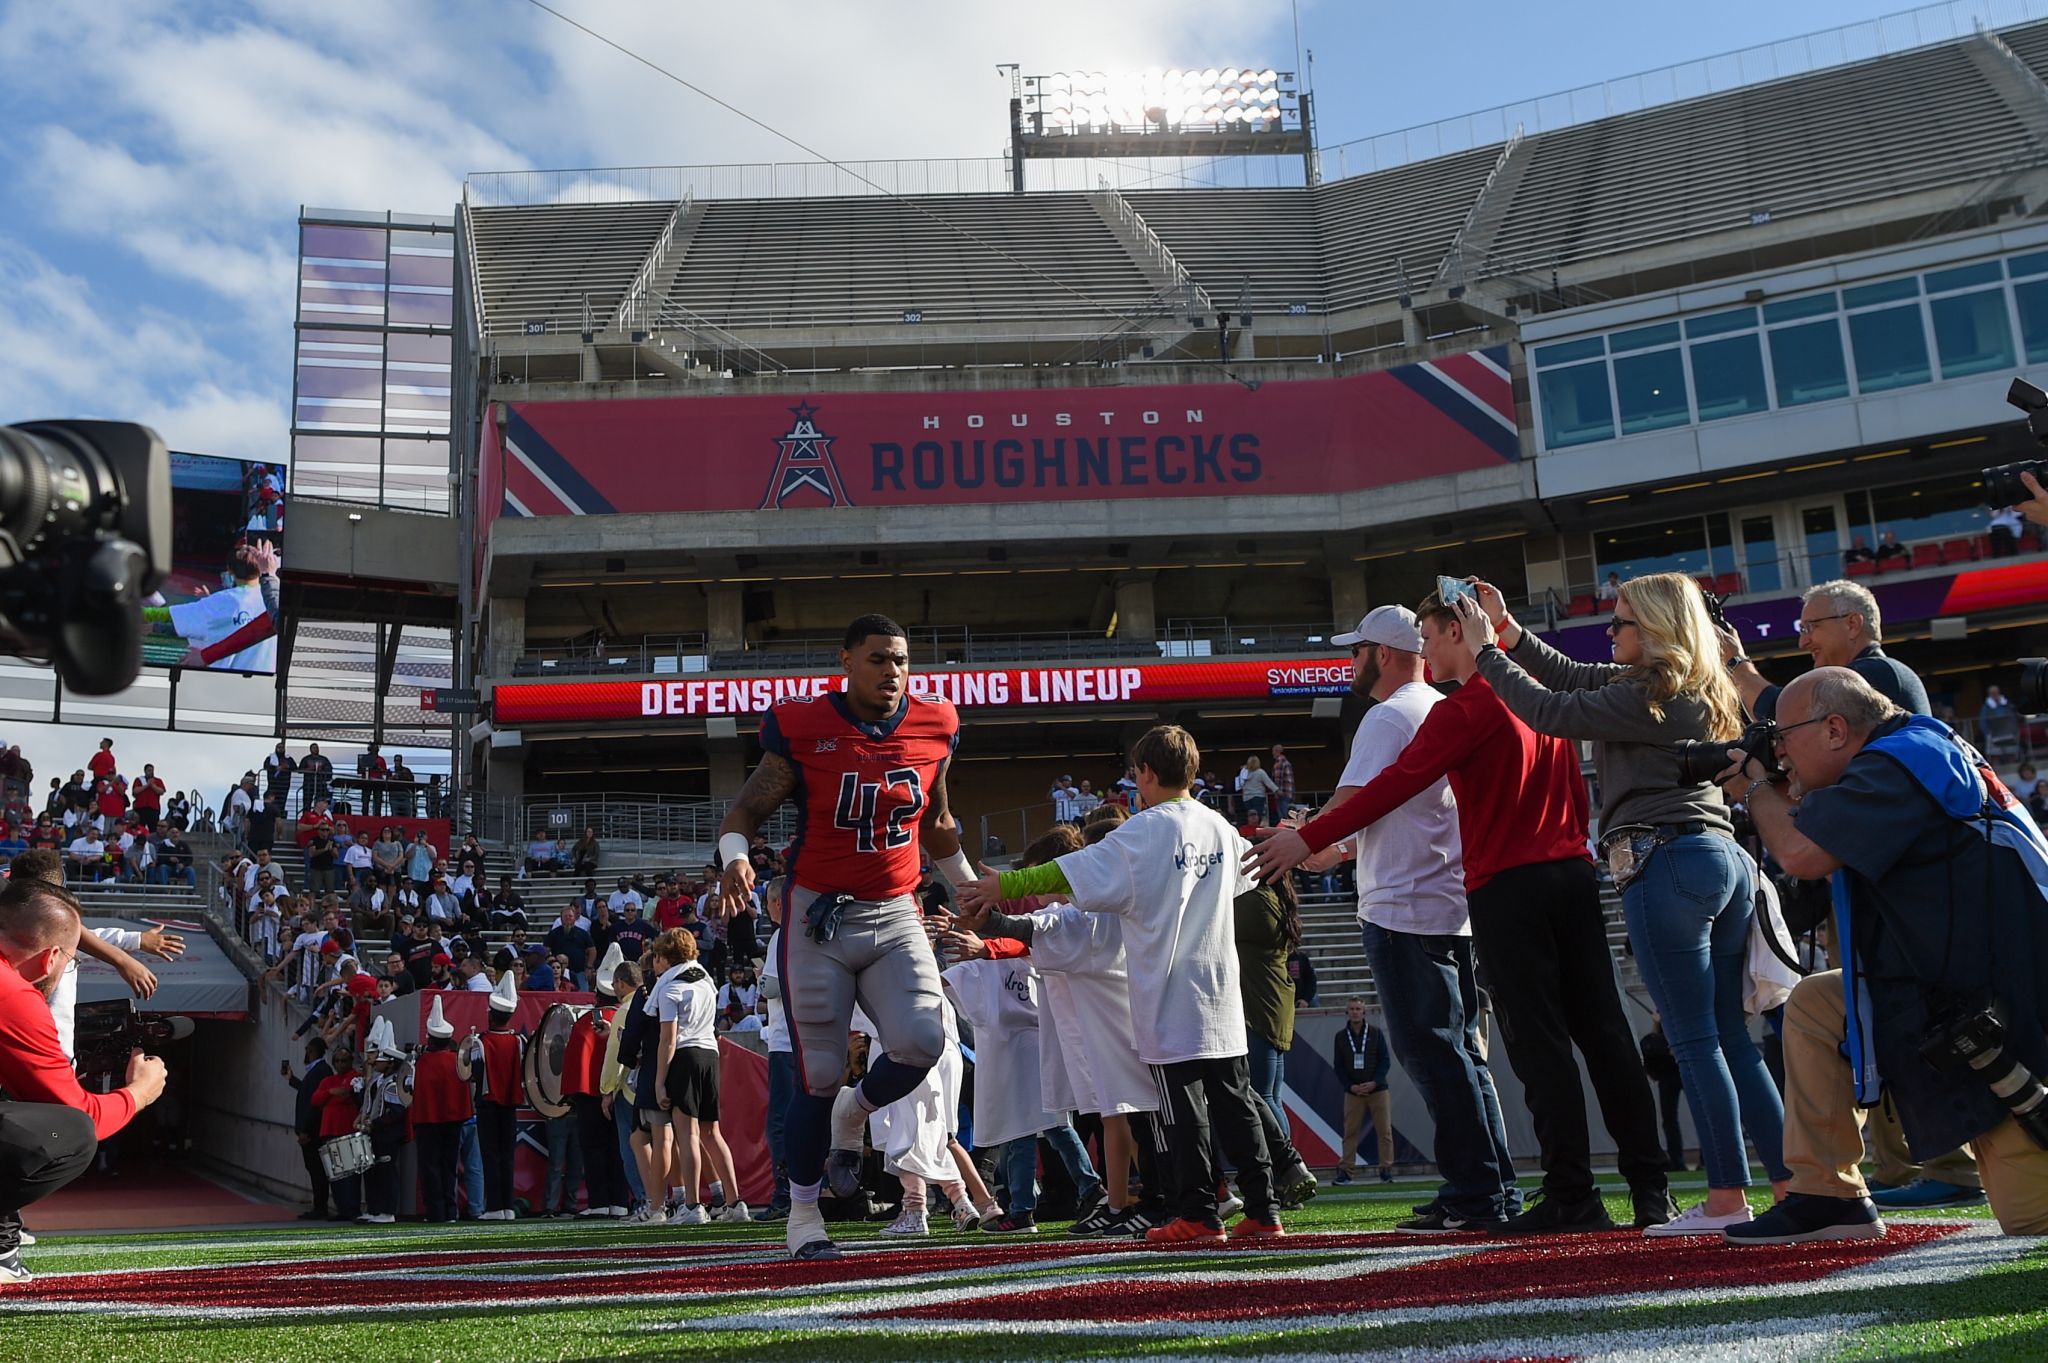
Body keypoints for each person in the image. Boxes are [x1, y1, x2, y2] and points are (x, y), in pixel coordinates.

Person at [1252, 591, 1678, 1233]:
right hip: (1570, 876)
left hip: (1505, 888)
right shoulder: (1539, 699)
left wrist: (1308, 838)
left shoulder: (1470, 704)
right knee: (1606, 1035)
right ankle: (1650, 1188)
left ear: (1457, 630)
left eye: (1432, 635)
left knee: (1539, 1050)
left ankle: (1571, 1192)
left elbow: (1394, 784)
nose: (1426, 649)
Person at [1456, 573, 1786, 1235]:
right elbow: (1575, 675)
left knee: (1694, 1042)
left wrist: (1486, 652)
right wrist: (1512, 631)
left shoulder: (1649, 692)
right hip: (1717, 860)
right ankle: (1789, 1181)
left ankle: (1726, 1197)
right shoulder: (1686, 683)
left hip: (1665, 860)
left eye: (1623, 621)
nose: (1611, 631)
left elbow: (1553, 710)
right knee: (1730, 1039)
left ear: (1659, 627)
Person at [1718, 668, 2048, 1242]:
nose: (1780, 755)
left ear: (1837, 729)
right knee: (1817, 1006)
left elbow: (1800, 853)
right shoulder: (1915, 745)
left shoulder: (1896, 762)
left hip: (2002, 1013)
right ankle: (1828, 1194)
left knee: (2033, 1219)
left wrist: (1750, 789)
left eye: (1783, 739)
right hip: (1959, 986)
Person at [712, 613, 973, 1261]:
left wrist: (967, 883)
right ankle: (804, 1215)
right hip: (816, 915)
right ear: (847, 660)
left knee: (922, 1040)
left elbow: (937, 823)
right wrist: (736, 855)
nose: (893, 671)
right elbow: (743, 809)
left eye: (902, 660)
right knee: (819, 1070)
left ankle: (855, 1113)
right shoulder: (805, 726)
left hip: (894, 908)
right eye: (879, 658)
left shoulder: (933, 723)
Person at [960, 724, 1282, 1244]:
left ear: (1145, 773)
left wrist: (1006, 883)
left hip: (1168, 995)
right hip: (1220, 991)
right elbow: (1253, 870)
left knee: (1182, 1113)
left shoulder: (1144, 830)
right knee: (1235, 1104)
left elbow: (1072, 869)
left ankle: (1199, 1214)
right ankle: (1264, 1210)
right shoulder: (1218, 825)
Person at [0, 877, 169, 1282]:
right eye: (71, 958)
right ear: (51, 958)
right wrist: (139, 1093)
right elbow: (80, 1114)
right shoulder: (15, 995)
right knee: (71, 1133)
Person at [646, 928, 745, 1224]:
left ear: (665, 957)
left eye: (658, 957)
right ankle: (735, 1202)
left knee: (688, 1134)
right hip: (710, 1054)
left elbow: (669, 1039)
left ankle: (691, 1205)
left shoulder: (668, 987)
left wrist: (659, 1081)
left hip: (686, 1056)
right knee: (712, 1133)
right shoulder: (706, 980)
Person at [471, 971, 524, 1220]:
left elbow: (472, 1073)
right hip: (511, 1103)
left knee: (490, 1155)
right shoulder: (518, 1041)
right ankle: (508, 1206)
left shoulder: (480, 1042)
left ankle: (494, 1207)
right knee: (507, 1155)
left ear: (491, 1014)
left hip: (488, 1103)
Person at [1331, 998, 1394, 1184]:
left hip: (1378, 1090)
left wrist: (1375, 1082)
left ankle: (1386, 1169)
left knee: (1385, 1131)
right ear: (1347, 1012)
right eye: (1351, 1009)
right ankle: (1346, 1171)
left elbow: (1385, 1061)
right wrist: (1351, 1086)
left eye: (1358, 1009)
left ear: (1364, 1012)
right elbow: (1339, 1066)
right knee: (1350, 1132)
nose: (1355, 1012)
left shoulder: (1375, 1033)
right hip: (1353, 1092)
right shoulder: (1341, 1037)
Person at [285, 1036, 335, 1220]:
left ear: (312, 1050)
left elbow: (315, 1103)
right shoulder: (316, 1071)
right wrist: (292, 1080)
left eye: (307, 1049)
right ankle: (319, 1206)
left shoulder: (321, 1071)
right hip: (310, 1130)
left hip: (313, 1131)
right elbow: (309, 1093)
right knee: (313, 1168)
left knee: (317, 1169)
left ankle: (320, 1207)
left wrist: (306, 1130)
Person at [1641, 1018, 1687, 1172]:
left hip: (1686, 1066)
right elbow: (1656, 1042)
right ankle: (1676, 1161)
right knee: (1669, 1119)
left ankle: (1706, 1160)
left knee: (1703, 1116)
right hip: (1668, 1073)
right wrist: (1657, 1022)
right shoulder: (1662, 1010)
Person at [1235, 755, 1278, 827]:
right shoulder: (1260, 772)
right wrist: (1277, 790)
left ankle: (1251, 830)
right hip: (1258, 797)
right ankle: (1257, 831)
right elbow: (1268, 783)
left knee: (1250, 816)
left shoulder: (1244, 773)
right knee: (1257, 816)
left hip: (1247, 798)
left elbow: (1240, 784)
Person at [1268, 744, 1296, 825]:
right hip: (1288, 792)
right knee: (1288, 813)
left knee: (1283, 817)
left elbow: (1278, 779)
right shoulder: (1286, 762)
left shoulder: (1279, 763)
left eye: (1273, 751)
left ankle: (1285, 830)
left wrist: (1277, 792)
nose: (1272, 753)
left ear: (1277, 751)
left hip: (1282, 793)